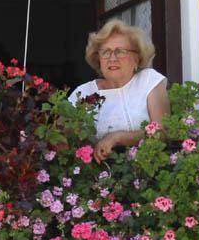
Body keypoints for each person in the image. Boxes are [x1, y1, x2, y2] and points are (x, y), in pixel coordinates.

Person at [69, 19, 170, 162]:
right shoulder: (84, 92)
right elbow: (63, 138)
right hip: (96, 174)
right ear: (98, 59)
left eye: (120, 51)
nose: (112, 58)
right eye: (105, 52)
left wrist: (117, 137)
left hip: (146, 170)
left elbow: (163, 133)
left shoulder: (149, 81)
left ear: (137, 57)